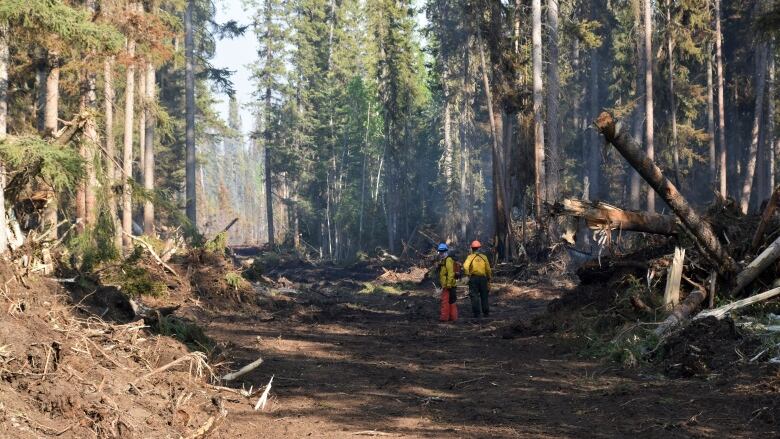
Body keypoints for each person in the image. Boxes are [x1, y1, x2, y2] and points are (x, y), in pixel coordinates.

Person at [463, 240, 492, 318]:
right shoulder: (484, 257)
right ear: (479, 248)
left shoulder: (470, 257)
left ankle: (477, 314)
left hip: (473, 279)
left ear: (472, 248)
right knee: (484, 296)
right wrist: (489, 278)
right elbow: (488, 269)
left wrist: (467, 274)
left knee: (474, 296)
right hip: (483, 279)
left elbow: (465, 266)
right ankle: (486, 313)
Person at [436, 242, 458, 322]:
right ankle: (453, 318)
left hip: (448, 285)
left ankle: (444, 317)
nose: (441, 254)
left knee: (445, 301)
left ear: (446, 252)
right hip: (449, 285)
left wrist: (448, 284)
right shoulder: (444, 261)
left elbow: (450, 273)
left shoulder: (448, 260)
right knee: (451, 301)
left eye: (442, 252)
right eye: (440, 252)